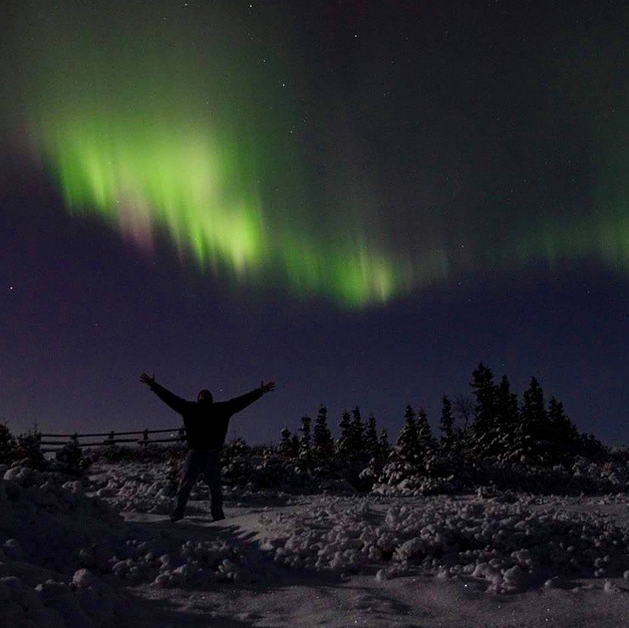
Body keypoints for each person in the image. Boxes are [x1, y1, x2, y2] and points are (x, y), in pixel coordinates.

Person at [140, 372, 275, 522]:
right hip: (203, 454)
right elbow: (241, 401)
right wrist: (260, 392)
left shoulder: (198, 408)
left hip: (204, 454)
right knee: (200, 488)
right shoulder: (213, 409)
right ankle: (188, 516)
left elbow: (171, 399)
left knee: (201, 488)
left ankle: (201, 517)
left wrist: (153, 385)